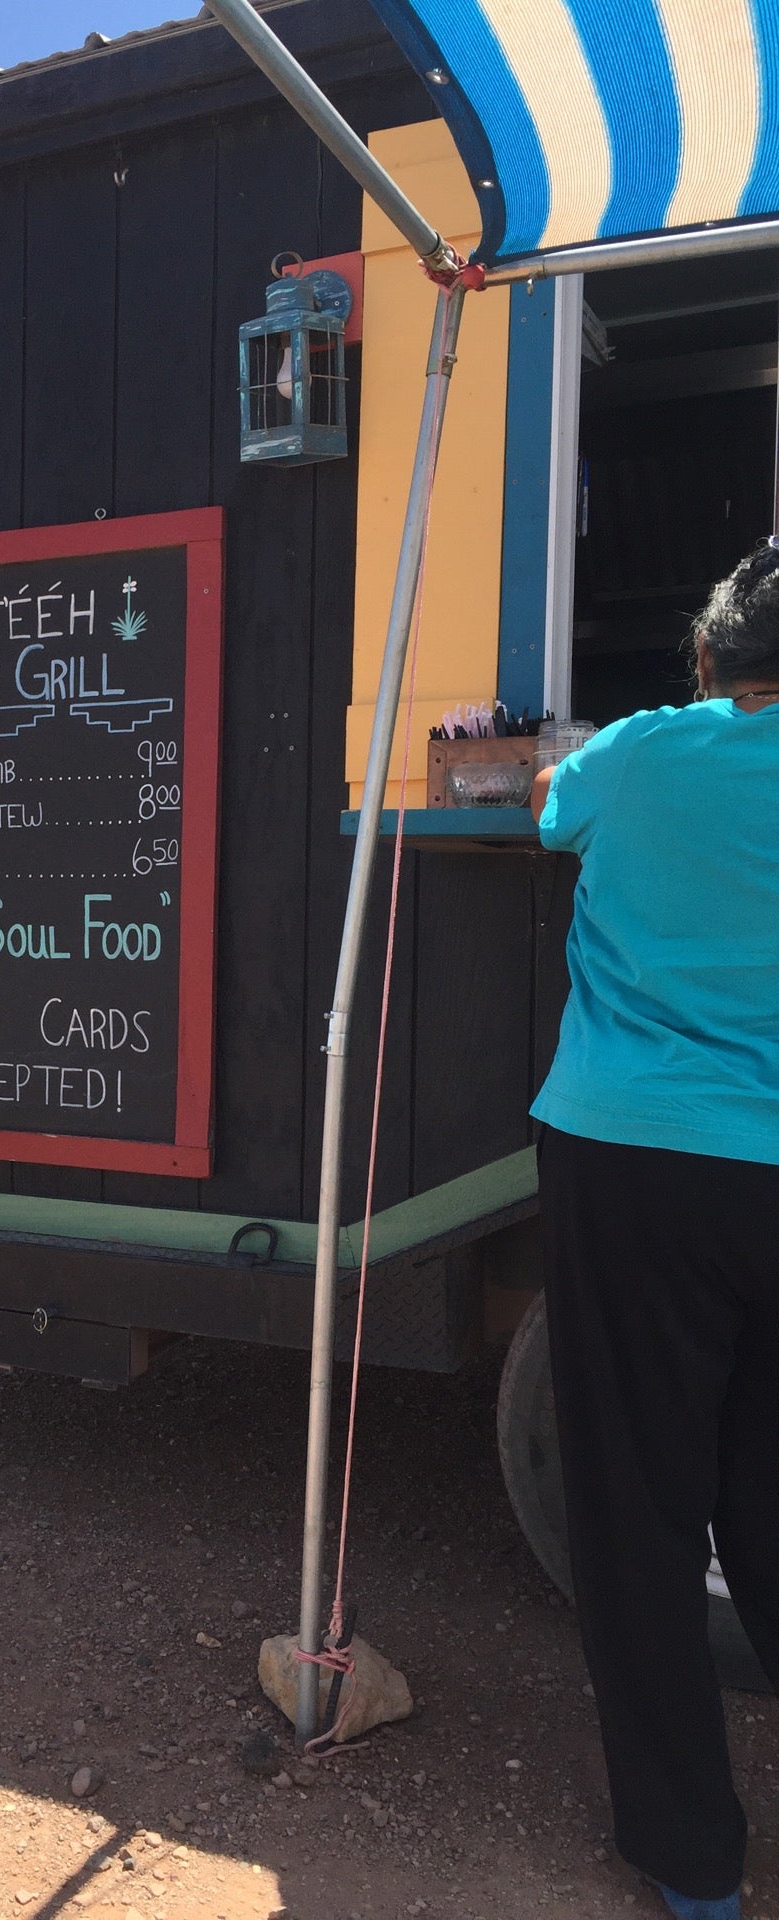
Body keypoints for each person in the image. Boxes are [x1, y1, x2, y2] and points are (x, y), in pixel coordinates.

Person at [528, 537, 779, 1920]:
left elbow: (544, 808)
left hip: (632, 1161)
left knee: (638, 1508)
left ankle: (694, 1869)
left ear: (709, 656)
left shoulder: (637, 755)